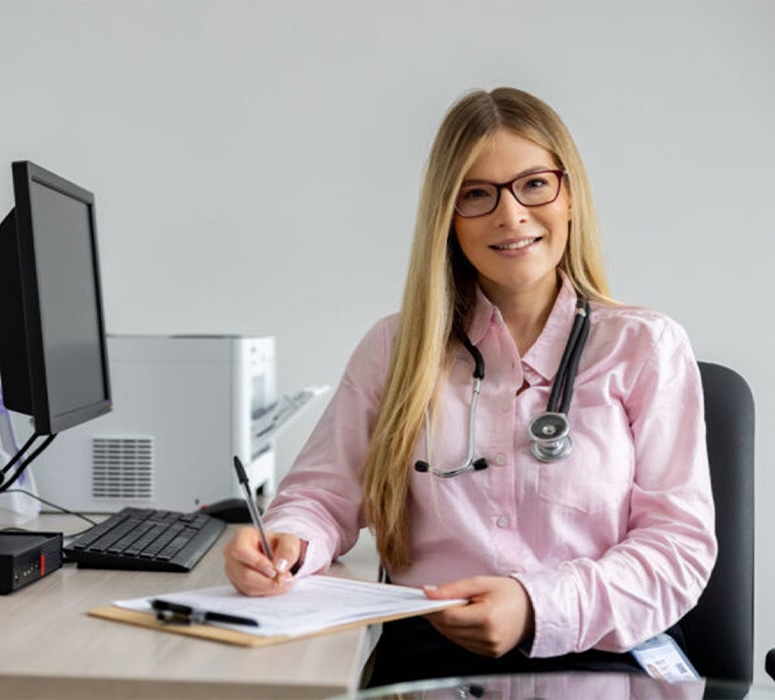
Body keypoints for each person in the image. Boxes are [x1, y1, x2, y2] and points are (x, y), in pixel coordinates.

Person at [223, 86, 717, 686]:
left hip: (604, 658)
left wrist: (535, 605)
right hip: (430, 661)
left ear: (569, 196)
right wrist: (287, 544)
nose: (511, 216)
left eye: (534, 184)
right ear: (447, 218)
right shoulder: (394, 349)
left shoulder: (645, 347)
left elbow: (678, 551)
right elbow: (322, 497)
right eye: (477, 195)